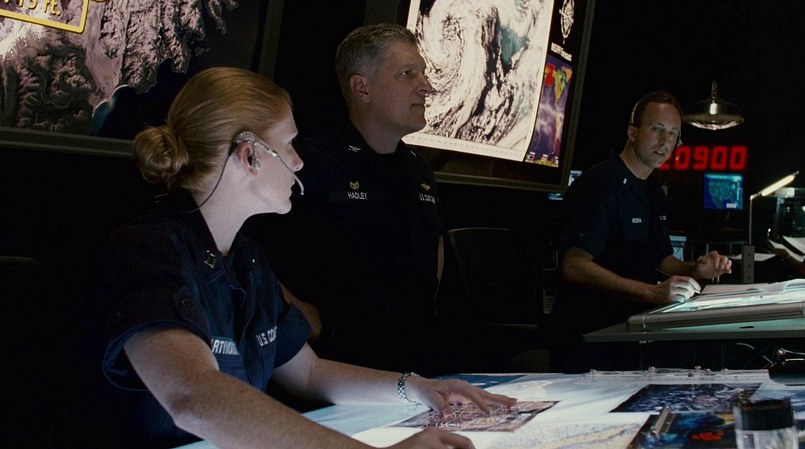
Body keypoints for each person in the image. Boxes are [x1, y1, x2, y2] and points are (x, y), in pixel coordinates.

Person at [80, 66, 515, 449]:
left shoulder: (246, 259)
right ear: (250, 155)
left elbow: (309, 374)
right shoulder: (149, 251)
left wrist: (419, 388)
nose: (298, 161)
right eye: (288, 144)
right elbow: (194, 397)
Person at [243, 23, 446, 374]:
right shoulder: (307, 164)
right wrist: (293, 314)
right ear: (362, 88)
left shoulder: (420, 171)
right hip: (329, 370)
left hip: (416, 367)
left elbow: (433, 255)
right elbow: (240, 249)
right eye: (407, 74)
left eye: (423, 72)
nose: (426, 86)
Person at [551, 89, 733, 373]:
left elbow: (661, 260)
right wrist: (652, 293)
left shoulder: (653, 189)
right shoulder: (599, 184)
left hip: (630, 333)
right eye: (656, 129)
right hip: (589, 340)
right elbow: (574, 266)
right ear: (632, 132)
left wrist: (695, 269)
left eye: (672, 134)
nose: (664, 142)